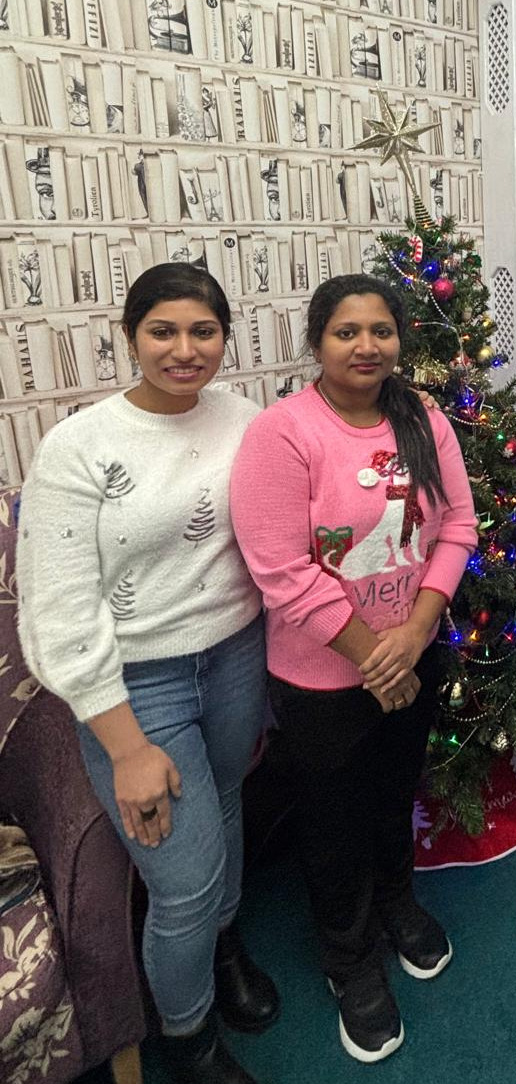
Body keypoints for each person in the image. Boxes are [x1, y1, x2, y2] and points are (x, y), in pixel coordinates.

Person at [16, 263, 279, 1084]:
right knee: (185, 878)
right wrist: (125, 745)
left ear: (224, 339)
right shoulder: (79, 447)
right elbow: (58, 612)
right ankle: (188, 1035)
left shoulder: (246, 419)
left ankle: (224, 945)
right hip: (136, 685)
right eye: (163, 330)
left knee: (229, 801)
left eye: (203, 331)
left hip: (236, 654)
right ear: (130, 337)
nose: (185, 348)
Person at [229, 274, 476, 1065]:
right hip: (324, 679)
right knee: (332, 824)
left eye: (381, 331)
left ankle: (399, 902)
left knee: (393, 795)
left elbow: (458, 525)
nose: (366, 346)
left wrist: (414, 634)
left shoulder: (423, 417)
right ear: (317, 342)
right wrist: (379, 658)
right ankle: (349, 959)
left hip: (412, 648)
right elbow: (282, 571)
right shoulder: (283, 433)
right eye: (347, 332)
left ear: (400, 339)